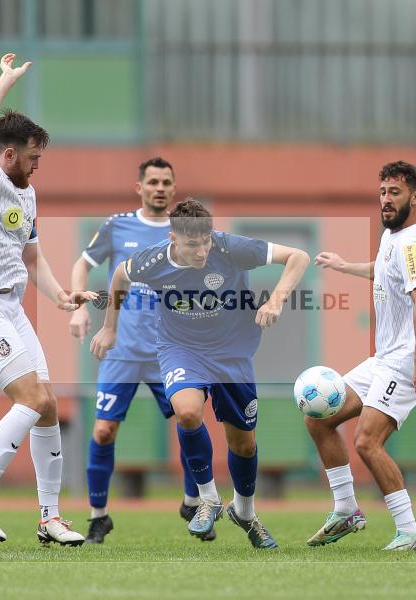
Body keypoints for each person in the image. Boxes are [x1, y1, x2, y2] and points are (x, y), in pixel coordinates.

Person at [90, 198, 310, 549]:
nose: (202, 250)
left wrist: (277, 299)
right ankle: (207, 497)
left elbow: (298, 257)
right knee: (188, 411)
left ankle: (246, 512)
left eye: (205, 241)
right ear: (174, 238)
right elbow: (119, 275)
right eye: (193, 244)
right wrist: (110, 328)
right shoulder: (154, 260)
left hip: (233, 352)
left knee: (243, 442)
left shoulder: (230, 247)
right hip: (181, 349)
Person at [0, 53, 95, 546]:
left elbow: (33, 261)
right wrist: (5, 81)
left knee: (48, 405)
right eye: (32, 157)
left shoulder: (27, 195)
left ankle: (49, 519)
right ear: (7, 154)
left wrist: (62, 298)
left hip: (9, 308)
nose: (36, 165)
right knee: (30, 398)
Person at [70, 157, 210, 544]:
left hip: (172, 349)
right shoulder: (118, 226)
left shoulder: (185, 230)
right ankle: (99, 516)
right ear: (140, 187)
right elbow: (81, 265)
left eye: (167, 181)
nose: (160, 187)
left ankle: (190, 499)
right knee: (103, 431)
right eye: (153, 182)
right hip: (122, 351)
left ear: (174, 187)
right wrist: (80, 306)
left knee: (190, 420)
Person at [308, 160, 416, 551]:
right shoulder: (392, 238)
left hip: (404, 358)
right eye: (382, 191)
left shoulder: (414, 243)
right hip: (384, 358)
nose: (385, 199)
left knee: (367, 441)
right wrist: (346, 267)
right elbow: (385, 270)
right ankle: (346, 508)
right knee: (319, 416)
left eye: (394, 192)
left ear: (415, 198)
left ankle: (411, 532)